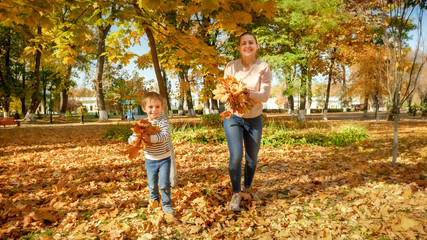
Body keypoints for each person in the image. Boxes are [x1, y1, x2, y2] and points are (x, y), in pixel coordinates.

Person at [222, 32, 272, 211]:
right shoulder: (231, 67)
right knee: (236, 156)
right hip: (233, 117)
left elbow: (265, 95)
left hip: (254, 120)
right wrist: (233, 96)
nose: (247, 46)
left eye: (251, 42)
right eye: (244, 43)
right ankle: (236, 193)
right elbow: (225, 90)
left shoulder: (263, 67)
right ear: (239, 47)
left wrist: (247, 93)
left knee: (251, 159)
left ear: (256, 46)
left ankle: (247, 189)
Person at [128, 92, 175, 215]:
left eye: (157, 107)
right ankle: (154, 202)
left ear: (162, 108)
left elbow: (164, 136)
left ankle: (166, 203)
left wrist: (150, 139)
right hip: (150, 160)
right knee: (152, 184)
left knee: (164, 183)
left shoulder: (163, 121)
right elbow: (134, 136)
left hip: (164, 158)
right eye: (150, 107)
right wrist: (133, 140)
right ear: (144, 108)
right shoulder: (141, 124)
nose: (154, 110)